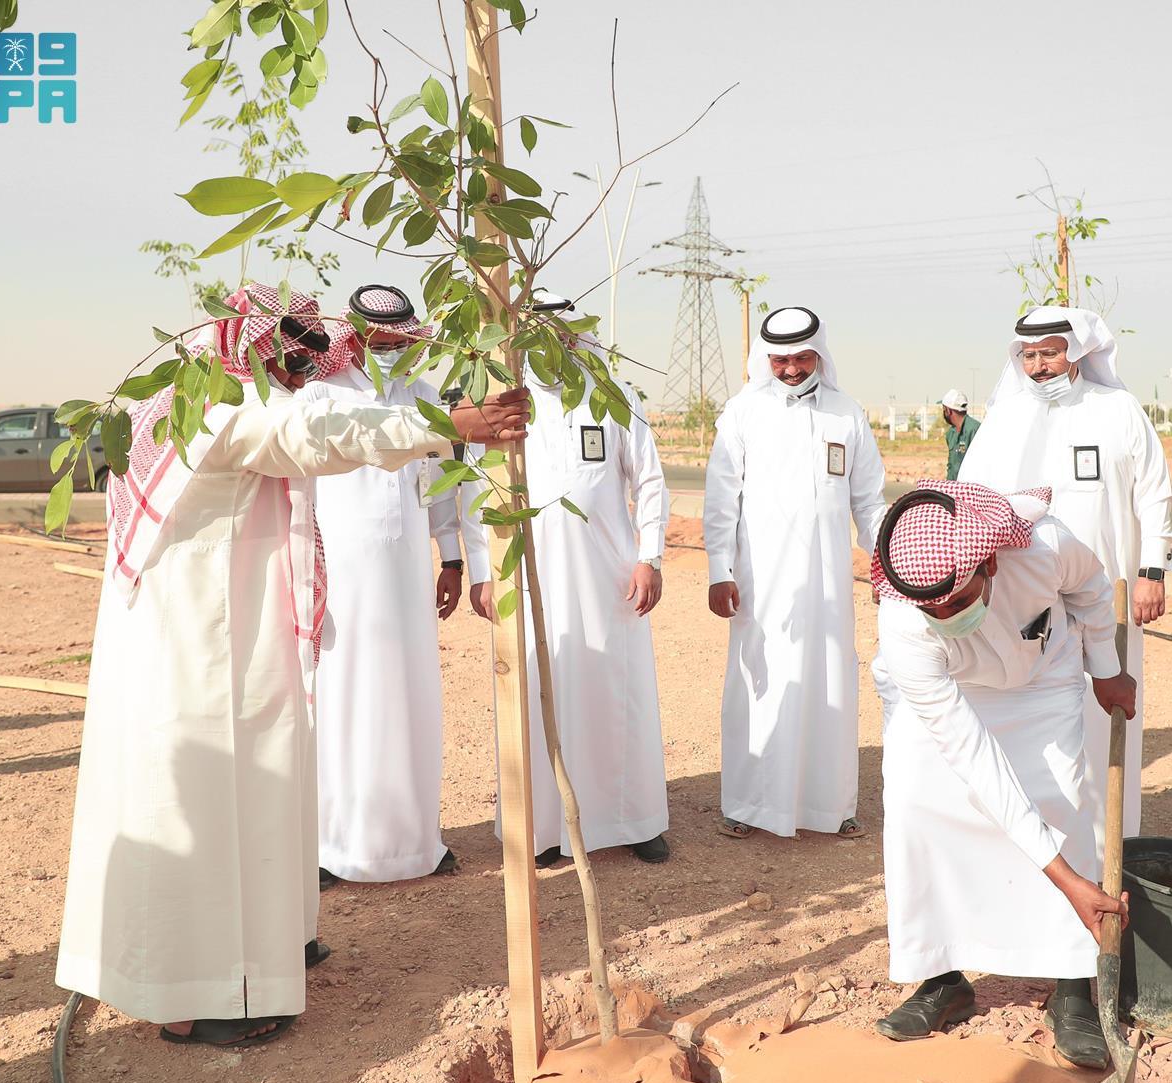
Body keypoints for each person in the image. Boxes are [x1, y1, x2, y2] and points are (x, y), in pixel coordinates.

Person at [55, 282, 528, 1048]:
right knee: (204, 816)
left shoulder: (238, 396)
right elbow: (316, 435)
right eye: (292, 353)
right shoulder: (216, 405)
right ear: (246, 347)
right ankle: (192, 998)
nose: (308, 367)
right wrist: (451, 423)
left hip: (236, 638)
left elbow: (319, 419)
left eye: (314, 351)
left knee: (264, 793)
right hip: (195, 654)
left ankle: (270, 950)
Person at [870, 480, 1132, 1068]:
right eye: (933, 610)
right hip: (952, 691)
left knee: (1060, 800)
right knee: (917, 806)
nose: (946, 616)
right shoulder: (906, 622)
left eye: (958, 603)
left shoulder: (1043, 547)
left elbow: (1091, 590)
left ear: (989, 562)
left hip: (1041, 681)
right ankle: (941, 979)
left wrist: (1106, 669)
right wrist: (1064, 879)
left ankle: (1071, 987)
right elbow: (971, 756)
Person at [963, 306, 1172, 840]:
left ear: (1076, 351)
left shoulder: (1119, 409)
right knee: (1032, 717)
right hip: (1024, 600)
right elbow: (969, 502)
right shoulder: (1003, 421)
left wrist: (1154, 570)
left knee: (1107, 709)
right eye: (1029, 356)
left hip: (1109, 590)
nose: (1039, 366)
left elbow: (1154, 493)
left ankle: (1109, 842)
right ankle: (1038, 839)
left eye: (1050, 353)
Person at [467, 332, 672, 865]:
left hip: (610, 579)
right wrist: (482, 570)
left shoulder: (612, 394)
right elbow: (474, 489)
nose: (549, 349)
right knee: (538, 687)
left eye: (561, 337)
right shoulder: (500, 400)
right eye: (537, 339)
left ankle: (632, 819)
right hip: (527, 575)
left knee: (615, 692)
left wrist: (649, 557)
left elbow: (649, 481)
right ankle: (543, 831)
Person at [301, 284, 481, 889]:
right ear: (352, 338)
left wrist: (451, 560)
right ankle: (332, 845)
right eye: (375, 340)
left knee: (410, 697)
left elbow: (440, 490)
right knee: (343, 700)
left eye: (398, 339)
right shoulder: (323, 393)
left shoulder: (429, 400)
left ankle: (415, 842)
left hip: (405, 573)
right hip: (343, 577)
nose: (387, 349)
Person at [703, 306, 887, 840]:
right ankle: (747, 803)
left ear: (820, 355)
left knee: (830, 679)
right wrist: (720, 568)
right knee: (758, 681)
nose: (791, 369)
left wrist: (883, 566)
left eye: (803, 358)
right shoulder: (741, 412)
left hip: (828, 584)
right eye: (780, 359)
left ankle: (830, 806)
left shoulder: (846, 414)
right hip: (761, 580)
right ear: (766, 358)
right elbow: (720, 500)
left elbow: (869, 501)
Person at [940, 388, 978, 479]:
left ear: (948, 411)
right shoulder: (950, 434)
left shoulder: (974, 430)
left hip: (970, 487)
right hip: (954, 488)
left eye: (944, 409)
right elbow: (951, 465)